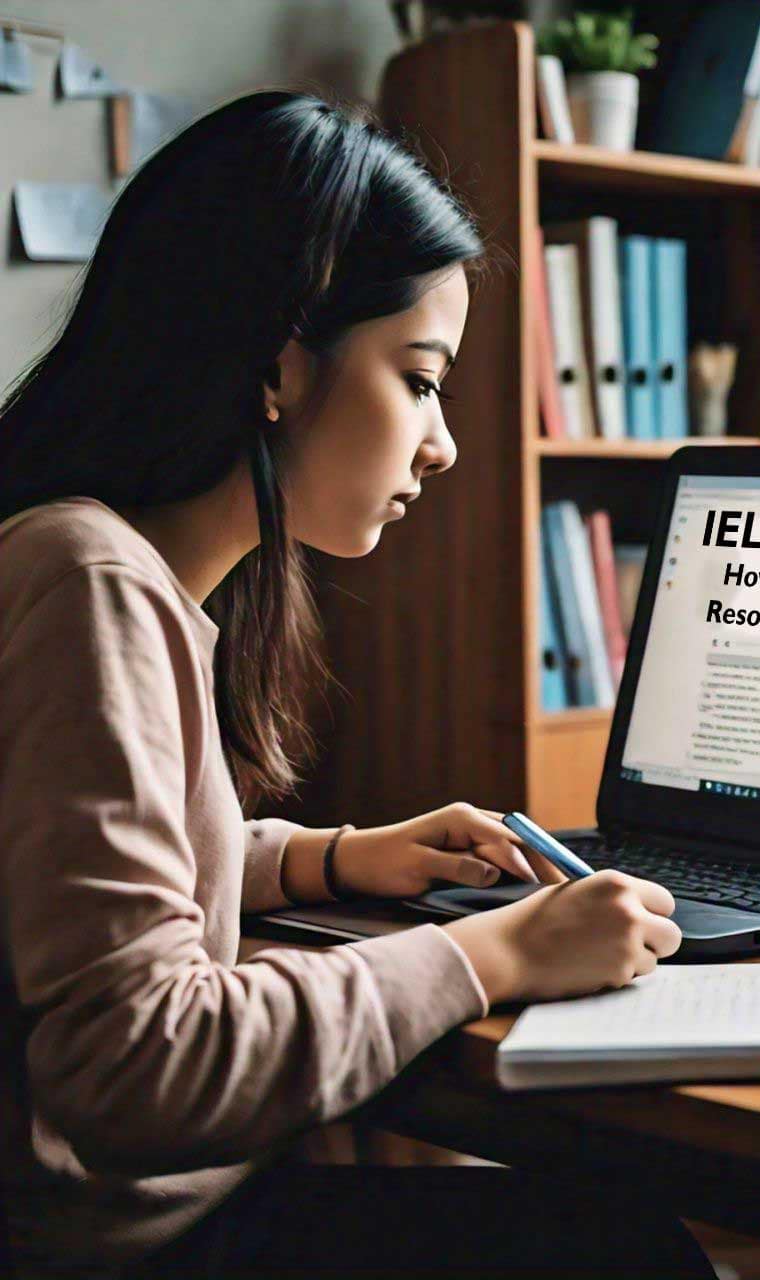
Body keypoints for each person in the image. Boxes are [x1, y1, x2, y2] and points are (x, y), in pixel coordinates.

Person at [0, 90, 711, 1279]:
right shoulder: (87, 579)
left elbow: (75, 864)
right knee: (623, 1244)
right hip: (135, 1250)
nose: (440, 443)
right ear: (282, 364)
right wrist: (494, 955)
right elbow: (134, 1061)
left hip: (177, 1218)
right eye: (420, 379)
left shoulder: (111, 568)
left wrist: (329, 855)